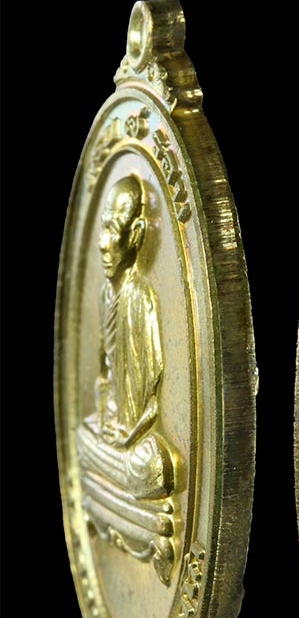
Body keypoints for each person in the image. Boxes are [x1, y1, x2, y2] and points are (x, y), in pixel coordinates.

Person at [76, 175, 175, 585]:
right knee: (81, 436)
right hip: (115, 437)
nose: (102, 243)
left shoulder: (140, 298)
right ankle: (146, 518)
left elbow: (150, 401)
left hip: (135, 442)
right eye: (102, 229)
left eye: (113, 230)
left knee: (153, 467)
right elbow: (105, 374)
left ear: (134, 235)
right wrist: (106, 420)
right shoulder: (106, 296)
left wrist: (126, 435)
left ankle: (147, 520)